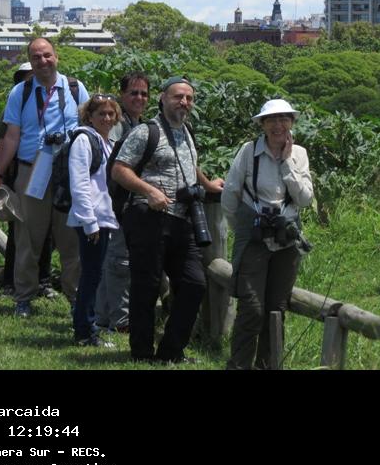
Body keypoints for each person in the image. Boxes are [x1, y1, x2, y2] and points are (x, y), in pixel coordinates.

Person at [111, 77, 224, 363]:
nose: (184, 102)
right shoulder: (146, 132)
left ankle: (171, 351)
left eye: (189, 98)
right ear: (163, 98)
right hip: (148, 217)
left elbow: (189, 165)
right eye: (177, 97)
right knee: (146, 287)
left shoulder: (187, 132)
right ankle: (142, 353)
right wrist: (149, 191)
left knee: (194, 283)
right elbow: (119, 169)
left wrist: (208, 186)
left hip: (182, 220)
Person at [0, 37, 90, 318]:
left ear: (56, 56)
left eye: (47, 55)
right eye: (36, 57)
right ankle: (24, 297)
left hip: (68, 172)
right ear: (30, 62)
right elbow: (11, 136)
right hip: (31, 169)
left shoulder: (76, 88)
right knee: (28, 238)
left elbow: (90, 128)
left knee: (71, 240)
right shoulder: (21, 92)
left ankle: (76, 297)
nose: (43, 61)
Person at [221, 98, 314, 370]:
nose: (278, 125)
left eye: (284, 119)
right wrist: (242, 228)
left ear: (292, 123)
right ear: (262, 124)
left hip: (286, 241)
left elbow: (305, 199)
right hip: (254, 238)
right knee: (251, 308)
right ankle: (239, 365)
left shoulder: (299, 154)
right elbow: (230, 195)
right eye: (271, 119)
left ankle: (268, 365)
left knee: (276, 309)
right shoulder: (248, 151)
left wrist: (287, 164)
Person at [94, 72, 150, 333]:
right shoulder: (117, 124)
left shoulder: (139, 124)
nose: (139, 98)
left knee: (112, 261)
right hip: (114, 203)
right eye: (133, 93)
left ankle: (102, 316)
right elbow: (111, 167)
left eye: (144, 94)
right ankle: (119, 320)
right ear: (122, 95)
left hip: (122, 204)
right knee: (119, 261)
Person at [0, 62, 56, 299]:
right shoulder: (17, 99)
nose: (31, 79)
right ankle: (13, 281)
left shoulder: (55, 98)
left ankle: (43, 279)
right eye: (25, 77)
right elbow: (4, 138)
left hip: (48, 170)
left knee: (47, 231)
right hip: (21, 172)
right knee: (19, 231)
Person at [67, 94, 122, 347]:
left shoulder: (107, 143)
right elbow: (79, 183)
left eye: (111, 114)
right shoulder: (84, 140)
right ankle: (84, 331)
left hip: (103, 218)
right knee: (90, 276)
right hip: (92, 220)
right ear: (89, 116)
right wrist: (89, 222)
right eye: (101, 114)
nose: (107, 118)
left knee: (93, 275)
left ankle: (87, 328)